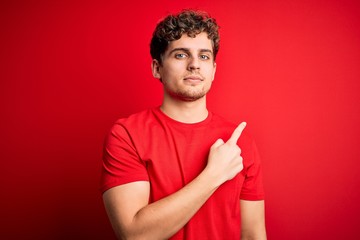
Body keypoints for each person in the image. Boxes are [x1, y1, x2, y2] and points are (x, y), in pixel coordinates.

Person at [100, 10, 266, 240]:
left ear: (214, 70)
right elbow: (134, 235)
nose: (195, 65)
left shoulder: (238, 142)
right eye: (180, 55)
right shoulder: (127, 134)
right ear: (157, 68)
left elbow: (253, 235)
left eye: (204, 56)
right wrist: (214, 174)